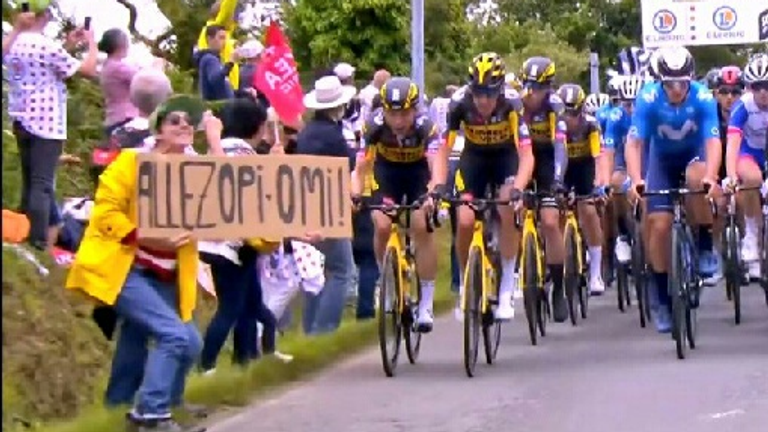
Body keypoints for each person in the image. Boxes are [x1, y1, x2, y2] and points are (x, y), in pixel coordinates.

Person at [66, 95, 209, 432]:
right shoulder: (132, 162)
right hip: (126, 269)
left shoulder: (194, 170)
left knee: (177, 341)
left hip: (166, 275)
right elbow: (105, 213)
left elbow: (241, 206)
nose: (185, 125)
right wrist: (142, 237)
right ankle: (151, 415)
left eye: (189, 121)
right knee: (175, 337)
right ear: (158, 131)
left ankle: (124, 406)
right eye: (175, 121)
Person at [626, 46, 721, 334]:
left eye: (683, 83)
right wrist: (635, 179)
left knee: (698, 179)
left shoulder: (703, 97)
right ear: (660, 81)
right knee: (659, 224)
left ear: (691, 79)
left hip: (693, 155)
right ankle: (662, 296)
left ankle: (704, 244)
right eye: (671, 83)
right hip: (661, 160)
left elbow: (713, 141)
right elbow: (634, 143)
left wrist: (713, 176)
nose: (678, 89)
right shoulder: (648, 98)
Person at [437, 52, 535, 321]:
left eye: (489, 94)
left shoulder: (513, 104)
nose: (483, 101)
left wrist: (519, 187)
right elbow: (443, 150)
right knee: (465, 219)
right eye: (478, 93)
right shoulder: (458, 104)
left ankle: (506, 288)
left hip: (505, 159)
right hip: (474, 159)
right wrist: (440, 184)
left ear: (500, 89)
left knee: (506, 207)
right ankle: (466, 283)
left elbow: (526, 154)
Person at [4, 1, 98, 251]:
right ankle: (37, 240)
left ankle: (22, 229)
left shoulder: (15, 42)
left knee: (30, 180)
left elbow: (47, 67)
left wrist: (68, 44)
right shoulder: (46, 46)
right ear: (44, 15)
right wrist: (91, 42)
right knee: (43, 183)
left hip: (21, 117)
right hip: (46, 122)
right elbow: (88, 70)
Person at [352, 77, 442, 331]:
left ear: (415, 109)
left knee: (420, 224)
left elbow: (436, 166)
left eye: (404, 113)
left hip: (418, 175)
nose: (399, 121)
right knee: (381, 224)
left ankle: (425, 301)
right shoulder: (373, 126)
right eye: (393, 114)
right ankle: (388, 280)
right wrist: (356, 195)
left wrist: (433, 193)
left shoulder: (426, 127)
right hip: (387, 174)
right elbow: (360, 168)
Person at [198, 98, 281, 373]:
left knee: (252, 304)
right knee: (231, 308)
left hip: (217, 241)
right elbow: (239, 191)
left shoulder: (219, 151)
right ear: (257, 128)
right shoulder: (242, 155)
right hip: (232, 245)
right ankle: (207, 365)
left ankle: (251, 358)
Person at [296, 75, 357, 335]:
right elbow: (347, 165)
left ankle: (311, 329)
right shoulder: (333, 135)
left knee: (317, 273)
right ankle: (324, 328)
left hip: (305, 205)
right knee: (342, 270)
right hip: (329, 206)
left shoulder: (308, 132)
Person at [519, 56, 569, 322]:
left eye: (539, 88)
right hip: (521, 158)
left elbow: (560, 146)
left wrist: (558, 181)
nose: (533, 93)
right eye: (529, 86)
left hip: (548, 160)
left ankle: (559, 287)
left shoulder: (555, 107)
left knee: (550, 222)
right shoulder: (514, 105)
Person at [557, 83, 607, 295]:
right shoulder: (554, 125)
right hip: (563, 168)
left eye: (574, 113)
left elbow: (599, 157)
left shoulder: (590, 125)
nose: (570, 119)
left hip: (585, 166)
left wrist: (600, 184)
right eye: (565, 113)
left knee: (588, 210)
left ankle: (595, 272)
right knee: (556, 211)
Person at [724, 55, 768, 282]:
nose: (763, 92)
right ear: (751, 88)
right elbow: (732, 144)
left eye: (767, 86)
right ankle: (750, 235)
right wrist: (731, 175)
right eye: (758, 87)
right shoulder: (743, 105)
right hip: (749, 153)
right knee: (752, 179)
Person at [603, 75, 644, 266]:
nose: (632, 109)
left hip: (647, 156)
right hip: (623, 157)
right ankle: (624, 235)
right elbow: (609, 151)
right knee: (616, 184)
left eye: (636, 103)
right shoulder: (616, 117)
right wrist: (606, 181)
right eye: (628, 104)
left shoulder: (649, 113)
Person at [428, 85, 461, 293]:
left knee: (459, 228)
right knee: (461, 225)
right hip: (455, 167)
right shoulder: (453, 128)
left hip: (458, 167)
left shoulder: (437, 109)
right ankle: (459, 281)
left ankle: (457, 282)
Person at [98, 28, 140, 136]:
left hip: (114, 117)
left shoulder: (108, 65)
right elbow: (145, 79)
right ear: (121, 45)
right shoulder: (117, 67)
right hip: (125, 118)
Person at [196, 0, 241, 90]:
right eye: (231, 14)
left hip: (227, 87)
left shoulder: (213, 31)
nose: (233, 17)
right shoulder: (218, 26)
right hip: (223, 88)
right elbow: (228, 7)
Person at [194, 25, 237, 101]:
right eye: (221, 38)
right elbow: (216, 80)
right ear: (209, 39)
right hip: (217, 109)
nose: (224, 42)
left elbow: (224, 87)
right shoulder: (210, 59)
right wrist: (230, 63)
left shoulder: (215, 59)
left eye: (225, 38)